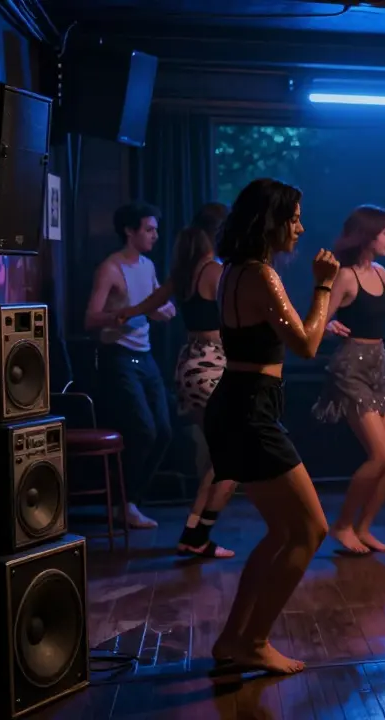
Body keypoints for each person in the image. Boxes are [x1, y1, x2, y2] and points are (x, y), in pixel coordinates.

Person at [205, 178, 336, 676]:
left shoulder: (233, 270)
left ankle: (232, 639)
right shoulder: (261, 275)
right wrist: (323, 286)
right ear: (270, 222)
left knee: (283, 530)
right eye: (294, 219)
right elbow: (307, 344)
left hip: (238, 405)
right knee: (311, 530)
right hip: (249, 411)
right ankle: (255, 641)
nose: (300, 228)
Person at [122, 202, 236, 558]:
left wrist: (126, 312)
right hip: (212, 367)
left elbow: (152, 301)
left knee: (221, 458)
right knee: (231, 459)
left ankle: (193, 534)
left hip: (190, 366)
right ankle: (197, 536)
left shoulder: (185, 271)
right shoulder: (216, 271)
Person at [314, 205, 385, 554]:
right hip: (351, 367)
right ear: (368, 236)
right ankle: (341, 526)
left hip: (379, 366)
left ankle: (363, 527)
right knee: (380, 455)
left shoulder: (379, 272)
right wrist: (329, 325)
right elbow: (316, 322)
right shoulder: (345, 276)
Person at [83, 202, 175, 530]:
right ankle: (125, 503)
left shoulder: (148, 266)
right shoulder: (110, 268)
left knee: (164, 431)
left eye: (155, 229)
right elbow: (90, 319)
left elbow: (157, 303)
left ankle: (132, 500)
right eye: (148, 229)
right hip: (120, 357)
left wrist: (163, 310)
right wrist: (124, 314)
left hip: (145, 357)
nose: (155, 235)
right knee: (143, 429)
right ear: (129, 231)